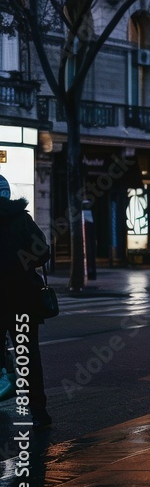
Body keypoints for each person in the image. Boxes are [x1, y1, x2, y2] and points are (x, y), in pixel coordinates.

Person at [0, 174, 52, 428]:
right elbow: (43, 251)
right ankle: (38, 410)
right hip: (21, 298)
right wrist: (22, 263)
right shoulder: (22, 219)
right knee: (27, 353)